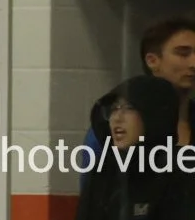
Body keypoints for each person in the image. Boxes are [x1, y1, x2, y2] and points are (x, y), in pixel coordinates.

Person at [71, 75, 195, 220]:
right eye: (113, 109)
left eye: (129, 108)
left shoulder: (182, 170)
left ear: (154, 113)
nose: (117, 118)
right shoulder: (103, 172)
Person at [82, 16, 195, 173]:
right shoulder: (113, 127)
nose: (193, 63)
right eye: (183, 54)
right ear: (152, 61)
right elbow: (96, 184)